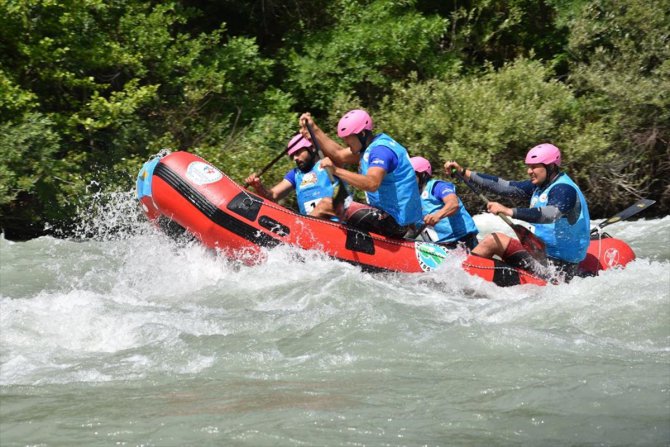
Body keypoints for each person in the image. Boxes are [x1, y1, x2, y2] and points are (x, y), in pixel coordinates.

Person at [444, 143, 590, 280]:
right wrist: (464, 172)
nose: (529, 171)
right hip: (541, 256)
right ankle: (472, 273)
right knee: (492, 241)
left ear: (551, 166)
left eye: (534, 167)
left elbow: (549, 214)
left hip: (558, 269)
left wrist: (509, 211)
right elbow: (504, 187)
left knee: (492, 241)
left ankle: (460, 278)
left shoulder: (564, 190)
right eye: (529, 166)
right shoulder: (540, 186)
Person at [299, 110, 422, 238]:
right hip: (392, 219)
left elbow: (372, 183)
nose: (345, 141)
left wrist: (336, 170)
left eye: (348, 137)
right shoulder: (371, 147)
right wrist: (314, 129)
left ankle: (296, 236)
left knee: (326, 204)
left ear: (362, 134)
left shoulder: (381, 151)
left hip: (395, 222)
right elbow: (339, 154)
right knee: (339, 207)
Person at [245, 133, 349, 220]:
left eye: (298, 152)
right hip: (313, 230)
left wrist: (315, 131)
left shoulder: (330, 163)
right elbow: (272, 196)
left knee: (325, 204)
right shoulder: (295, 174)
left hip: (336, 225)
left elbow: (340, 154)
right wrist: (258, 187)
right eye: (293, 155)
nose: (295, 158)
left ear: (312, 148)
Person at [410, 156, 479, 250]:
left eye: (410, 175)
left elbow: (453, 204)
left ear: (422, 175)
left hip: (462, 241)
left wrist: (437, 216)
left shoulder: (437, 186)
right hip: (437, 248)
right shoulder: (411, 197)